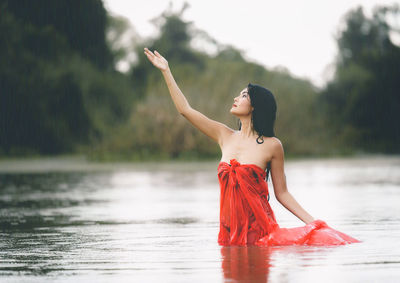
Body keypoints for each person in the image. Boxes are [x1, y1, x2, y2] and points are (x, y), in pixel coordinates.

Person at [144, 47, 360, 246]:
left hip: (260, 235)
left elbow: (282, 194)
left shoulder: (273, 146)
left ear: (256, 107)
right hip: (228, 235)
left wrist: (315, 223)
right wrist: (166, 71)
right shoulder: (224, 135)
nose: (236, 98)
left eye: (244, 95)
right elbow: (185, 110)